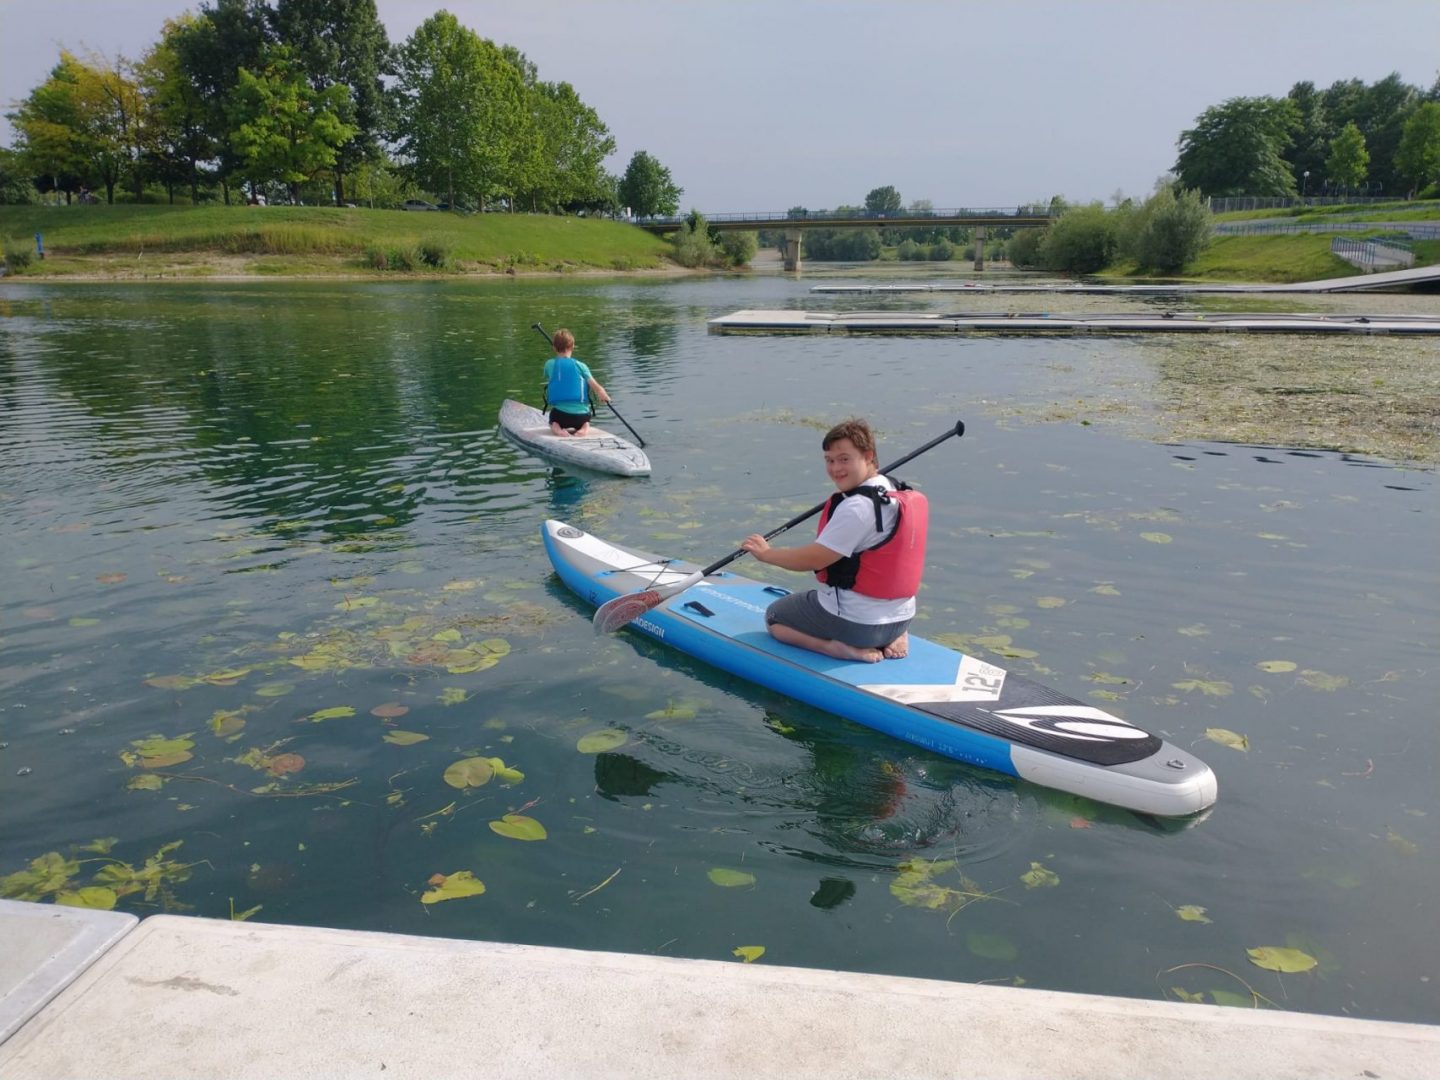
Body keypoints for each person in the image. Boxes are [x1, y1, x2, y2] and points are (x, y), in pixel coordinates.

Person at [741, 418, 928, 664]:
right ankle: (895, 635)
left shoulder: (857, 508)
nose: (835, 468)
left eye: (844, 459)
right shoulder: (893, 488)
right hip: (902, 618)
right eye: (829, 460)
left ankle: (836, 648)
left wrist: (767, 554)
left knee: (775, 618)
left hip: (857, 625)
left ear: (868, 456)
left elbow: (815, 558)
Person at [543, 328, 610, 437]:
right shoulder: (581, 365)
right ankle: (584, 428)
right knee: (586, 421)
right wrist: (603, 394)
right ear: (573, 346)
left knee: (553, 421)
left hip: (561, 415)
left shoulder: (549, 364)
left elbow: (551, 379)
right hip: (581, 416)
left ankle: (558, 430)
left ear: (554, 348)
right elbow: (596, 387)